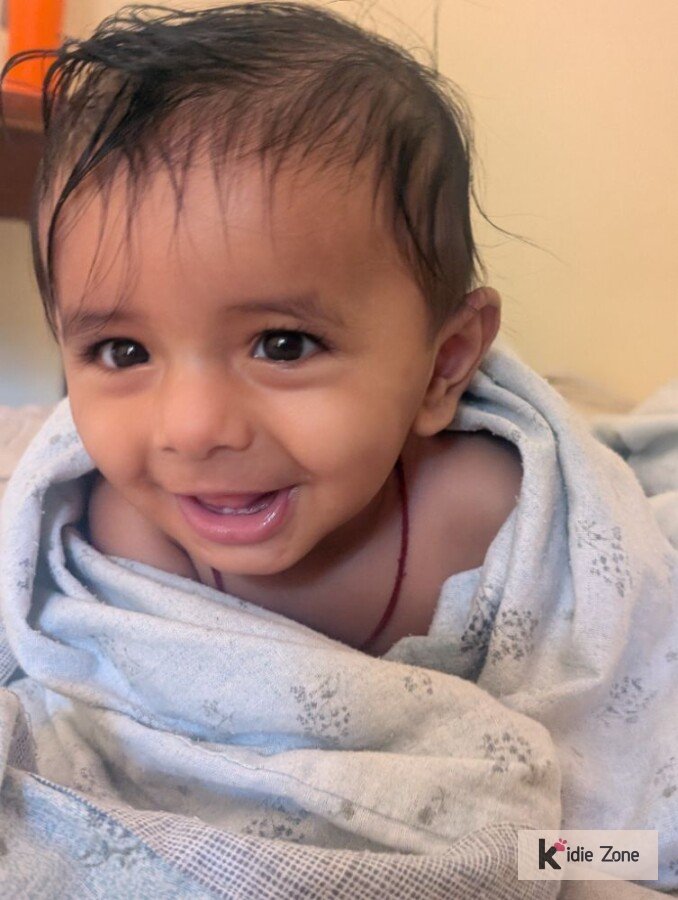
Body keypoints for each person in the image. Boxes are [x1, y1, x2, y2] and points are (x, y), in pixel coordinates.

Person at [9, 2, 524, 657]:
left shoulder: (487, 516)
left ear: (443, 366)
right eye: (124, 351)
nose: (193, 430)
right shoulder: (133, 543)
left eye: (283, 346)